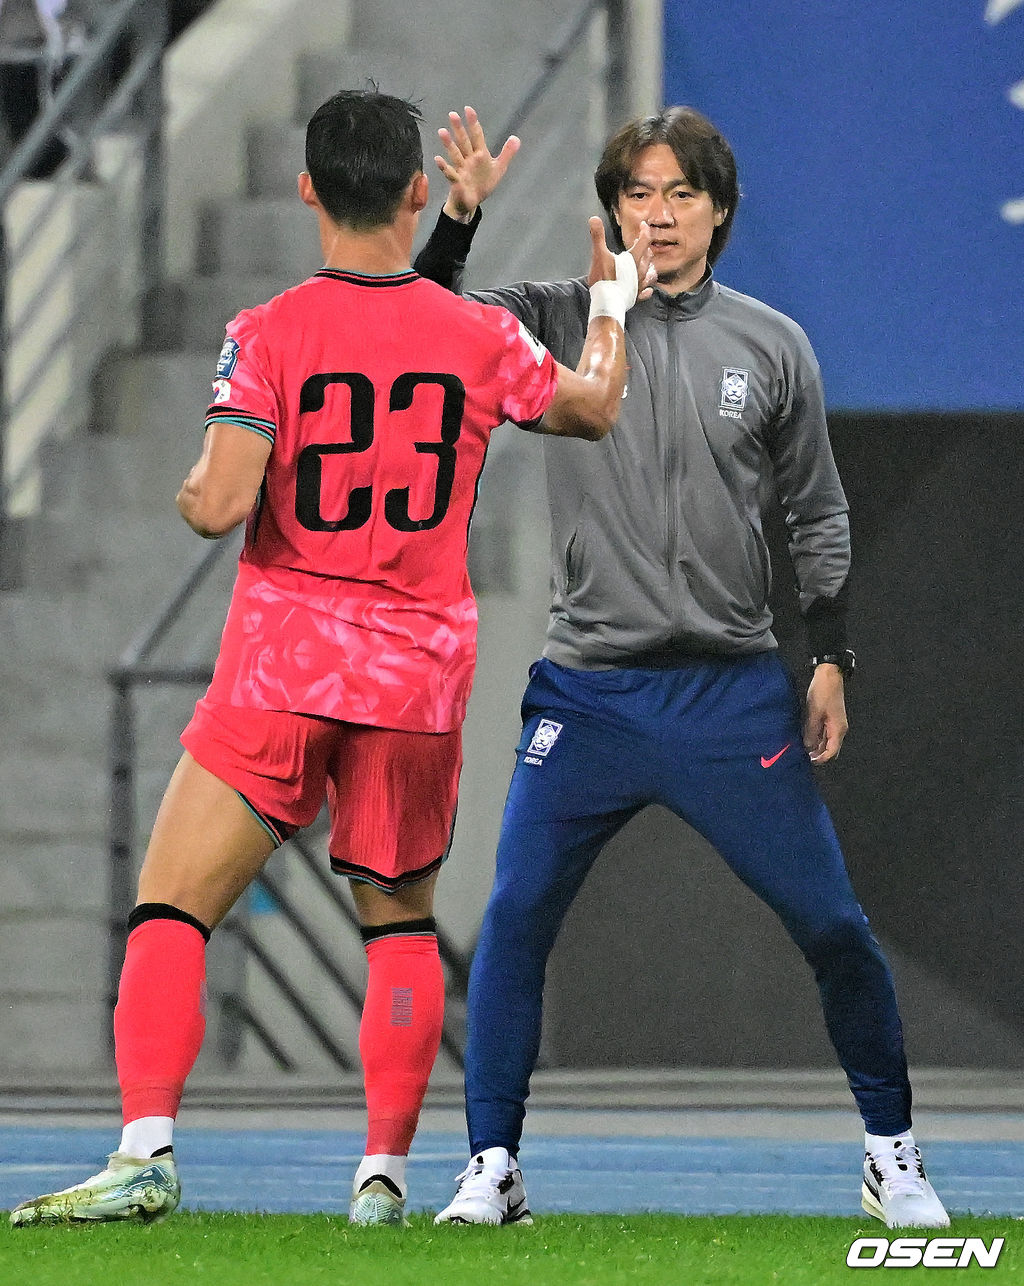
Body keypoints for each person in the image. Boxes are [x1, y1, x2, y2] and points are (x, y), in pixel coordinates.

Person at [9, 88, 652, 1229]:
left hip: (282, 667)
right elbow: (595, 406)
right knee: (396, 924)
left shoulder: (268, 331)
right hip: (415, 678)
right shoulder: (478, 336)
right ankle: (381, 1178)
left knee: (169, 908)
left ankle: (147, 1149)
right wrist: (608, 300)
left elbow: (218, 504)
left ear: (306, 189)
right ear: (416, 191)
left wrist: (191, 484)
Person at [416, 105, 950, 1231]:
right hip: (587, 692)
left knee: (833, 925)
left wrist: (831, 656)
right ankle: (492, 1165)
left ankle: (891, 1154)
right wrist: (459, 217)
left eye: (680, 195)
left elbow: (816, 511)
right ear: (609, 207)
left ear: (718, 211)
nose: (655, 217)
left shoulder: (771, 344)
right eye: (637, 194)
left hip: (728, 691)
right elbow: (427, 328)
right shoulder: (554, 318)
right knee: (512, 918)